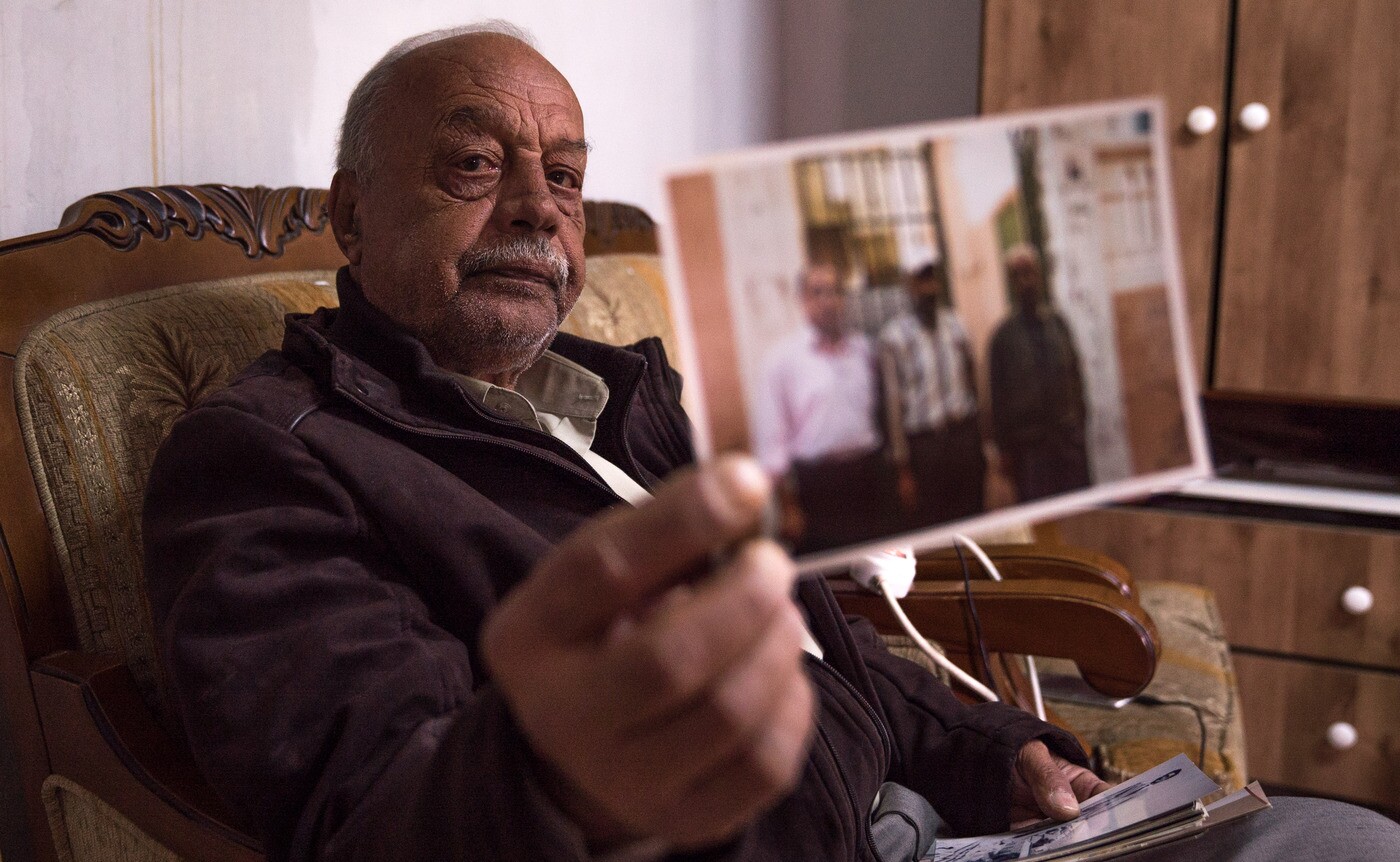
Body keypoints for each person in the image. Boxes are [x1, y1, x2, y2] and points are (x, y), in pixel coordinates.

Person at [141, 23, 1400, 862]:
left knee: (1347, 840)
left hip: (923, 830)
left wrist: (1000, 754)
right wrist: (555, 777)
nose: (536, 208)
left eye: (565, 177)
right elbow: (370, 811)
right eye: (474, 163)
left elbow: (821, 644)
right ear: (351, 213)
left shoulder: (627, 401)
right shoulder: (267, 458)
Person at [751, 263, 894, 552]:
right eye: (818, 292)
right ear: (803, 300)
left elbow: (881, 414)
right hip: (819, 487)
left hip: (869, 476)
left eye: (835, 291)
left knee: (880, 564)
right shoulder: (782, 361)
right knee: (832, 571)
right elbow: (772, 442)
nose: (828, 301)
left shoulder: (863, 350)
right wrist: (788, 507)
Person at [877, 261, 986, 527]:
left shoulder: (957, 325)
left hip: (962, 439)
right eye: (920, 282)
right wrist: (903, 469)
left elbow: (974, 382)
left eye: (931, 280)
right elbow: (893, 404)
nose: (927, 289)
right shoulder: (893, 337)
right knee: (936, 525)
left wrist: (985, 442)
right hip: (925, 448)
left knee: (974, 519)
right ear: (908, 287)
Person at [987, 245, 1093, 502]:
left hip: (1068, 443)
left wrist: (1078, 426)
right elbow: (997, 398)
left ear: (1039, 275)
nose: (1026, 282)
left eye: (1030, 273)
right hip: (1030, 452)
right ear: (1011, 283)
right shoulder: (1002, 338)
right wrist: (1004, 451)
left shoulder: (1058, 324)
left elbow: (1076, 377)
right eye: (1018, 276)